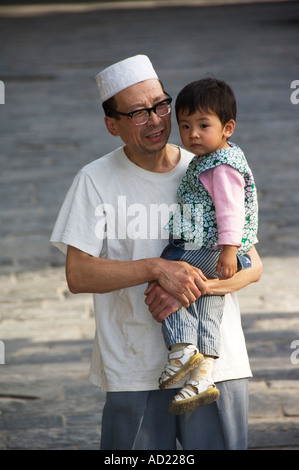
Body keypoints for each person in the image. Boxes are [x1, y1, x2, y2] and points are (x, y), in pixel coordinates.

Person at [50, 55, 262, 450]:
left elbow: (252, 268)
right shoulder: (94, 181)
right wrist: (156, 269)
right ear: (111, 124)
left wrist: (190, 286)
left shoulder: (208, 166)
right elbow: (78, 275)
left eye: (161, 105)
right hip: (134, 369)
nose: (157, 120)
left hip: (217, 365)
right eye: (138, 113)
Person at [157, 78, 258, 415]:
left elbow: (231, 210)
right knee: (209, 304)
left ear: (227, 128)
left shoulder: (220, 166)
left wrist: (230, 250)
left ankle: (183, 350)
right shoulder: (221, 157)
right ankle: (202, 377)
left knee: (167, 277)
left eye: (203, 125)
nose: (193, 134)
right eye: (185, 126)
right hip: (218, 248)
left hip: (205, 244)